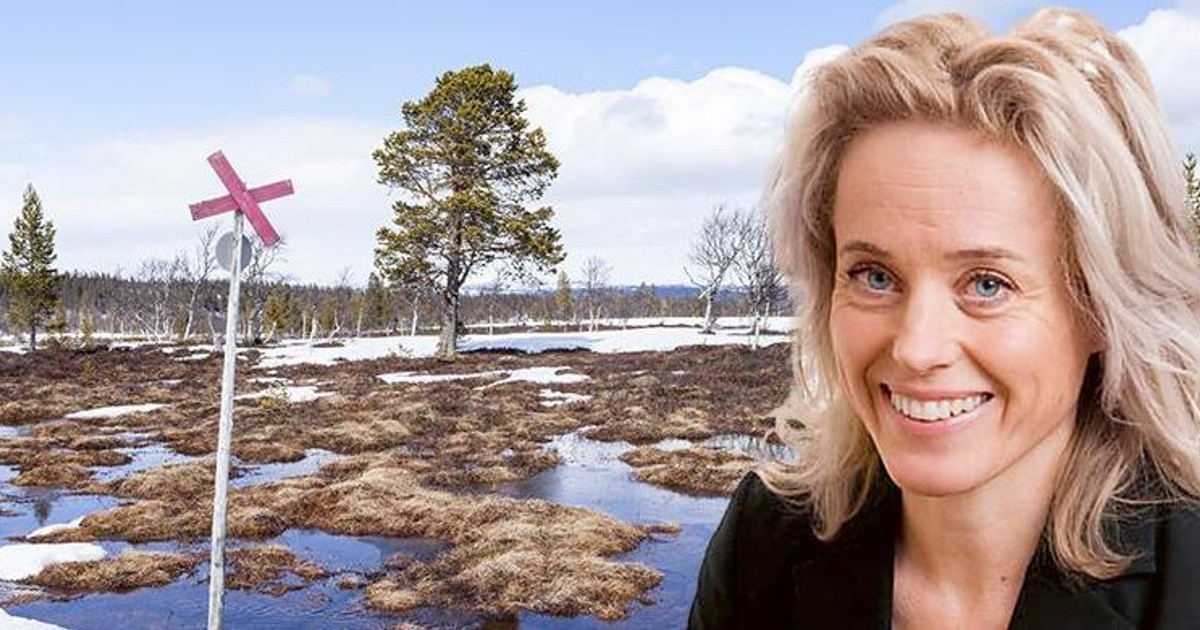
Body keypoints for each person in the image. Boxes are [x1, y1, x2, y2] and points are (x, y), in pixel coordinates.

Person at [690, 7, 1200, 629]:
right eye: (874, 276)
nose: (917, 347)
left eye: (987, 284)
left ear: (1101, 309)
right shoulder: (764, 539)